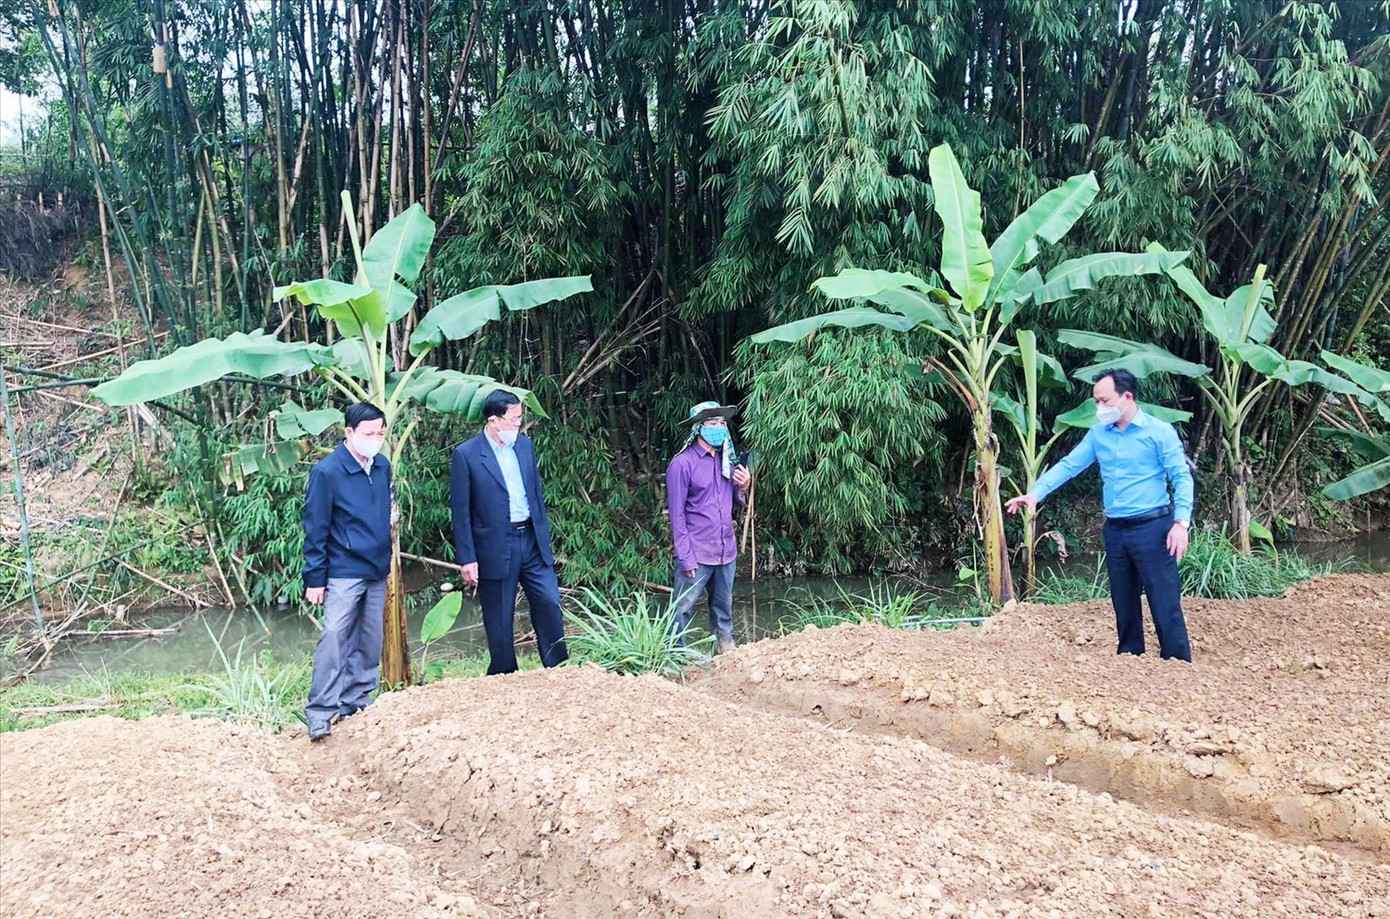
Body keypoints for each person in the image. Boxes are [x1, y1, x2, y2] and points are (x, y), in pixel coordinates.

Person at [1005, 368, 1195, 662]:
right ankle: (1130, 658)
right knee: (1123, 598)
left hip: (1154, 526)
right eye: (1095, 401)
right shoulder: (1098, 434)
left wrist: (1181, 523)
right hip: (1116, 529)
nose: (1098, 408)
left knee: (1163, 597)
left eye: (1104, 400)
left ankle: (1177, 662)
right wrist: (1035, 493)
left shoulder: (1158, 432)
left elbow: (1181, 478)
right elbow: (1070, 465)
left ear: (1127, 396)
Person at [451, 389, 568, 675]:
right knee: (499, 614)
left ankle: (559, 668)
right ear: (494, 420)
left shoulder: (524, 446)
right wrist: (467, 558)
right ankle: (504, 674)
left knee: (549, 601)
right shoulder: (466, 455)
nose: (519, 424)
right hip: (493, 543)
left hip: (531, 538)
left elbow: (536, 494)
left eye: (520, 418)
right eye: (514, 419)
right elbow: (460, 510)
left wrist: (543, 534)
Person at [302, 402, 393, 741]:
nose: (376, 439)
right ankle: (320, 712)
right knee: (335, 637)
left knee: (370, 640)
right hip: (342, 569)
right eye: (369, 433)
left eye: (380, 433)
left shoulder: (382, 467)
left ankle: (356, 703)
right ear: (349, 433)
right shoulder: (327, 472)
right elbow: (316, 527)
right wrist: (315, 577)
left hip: (376, 567)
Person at [666, 401, 752, 654]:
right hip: (696, 550)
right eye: (712, 423)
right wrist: (685, 557)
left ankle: (727, 654)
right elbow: (677, 515)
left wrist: (744, 486)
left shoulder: (727, 460)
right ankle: (677, 657)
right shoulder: (682, 464)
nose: (718, 428)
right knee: (682, 608)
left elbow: (734, 498)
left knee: (723, 607)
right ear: (697, 428)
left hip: (726, 548)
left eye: (722, 423)